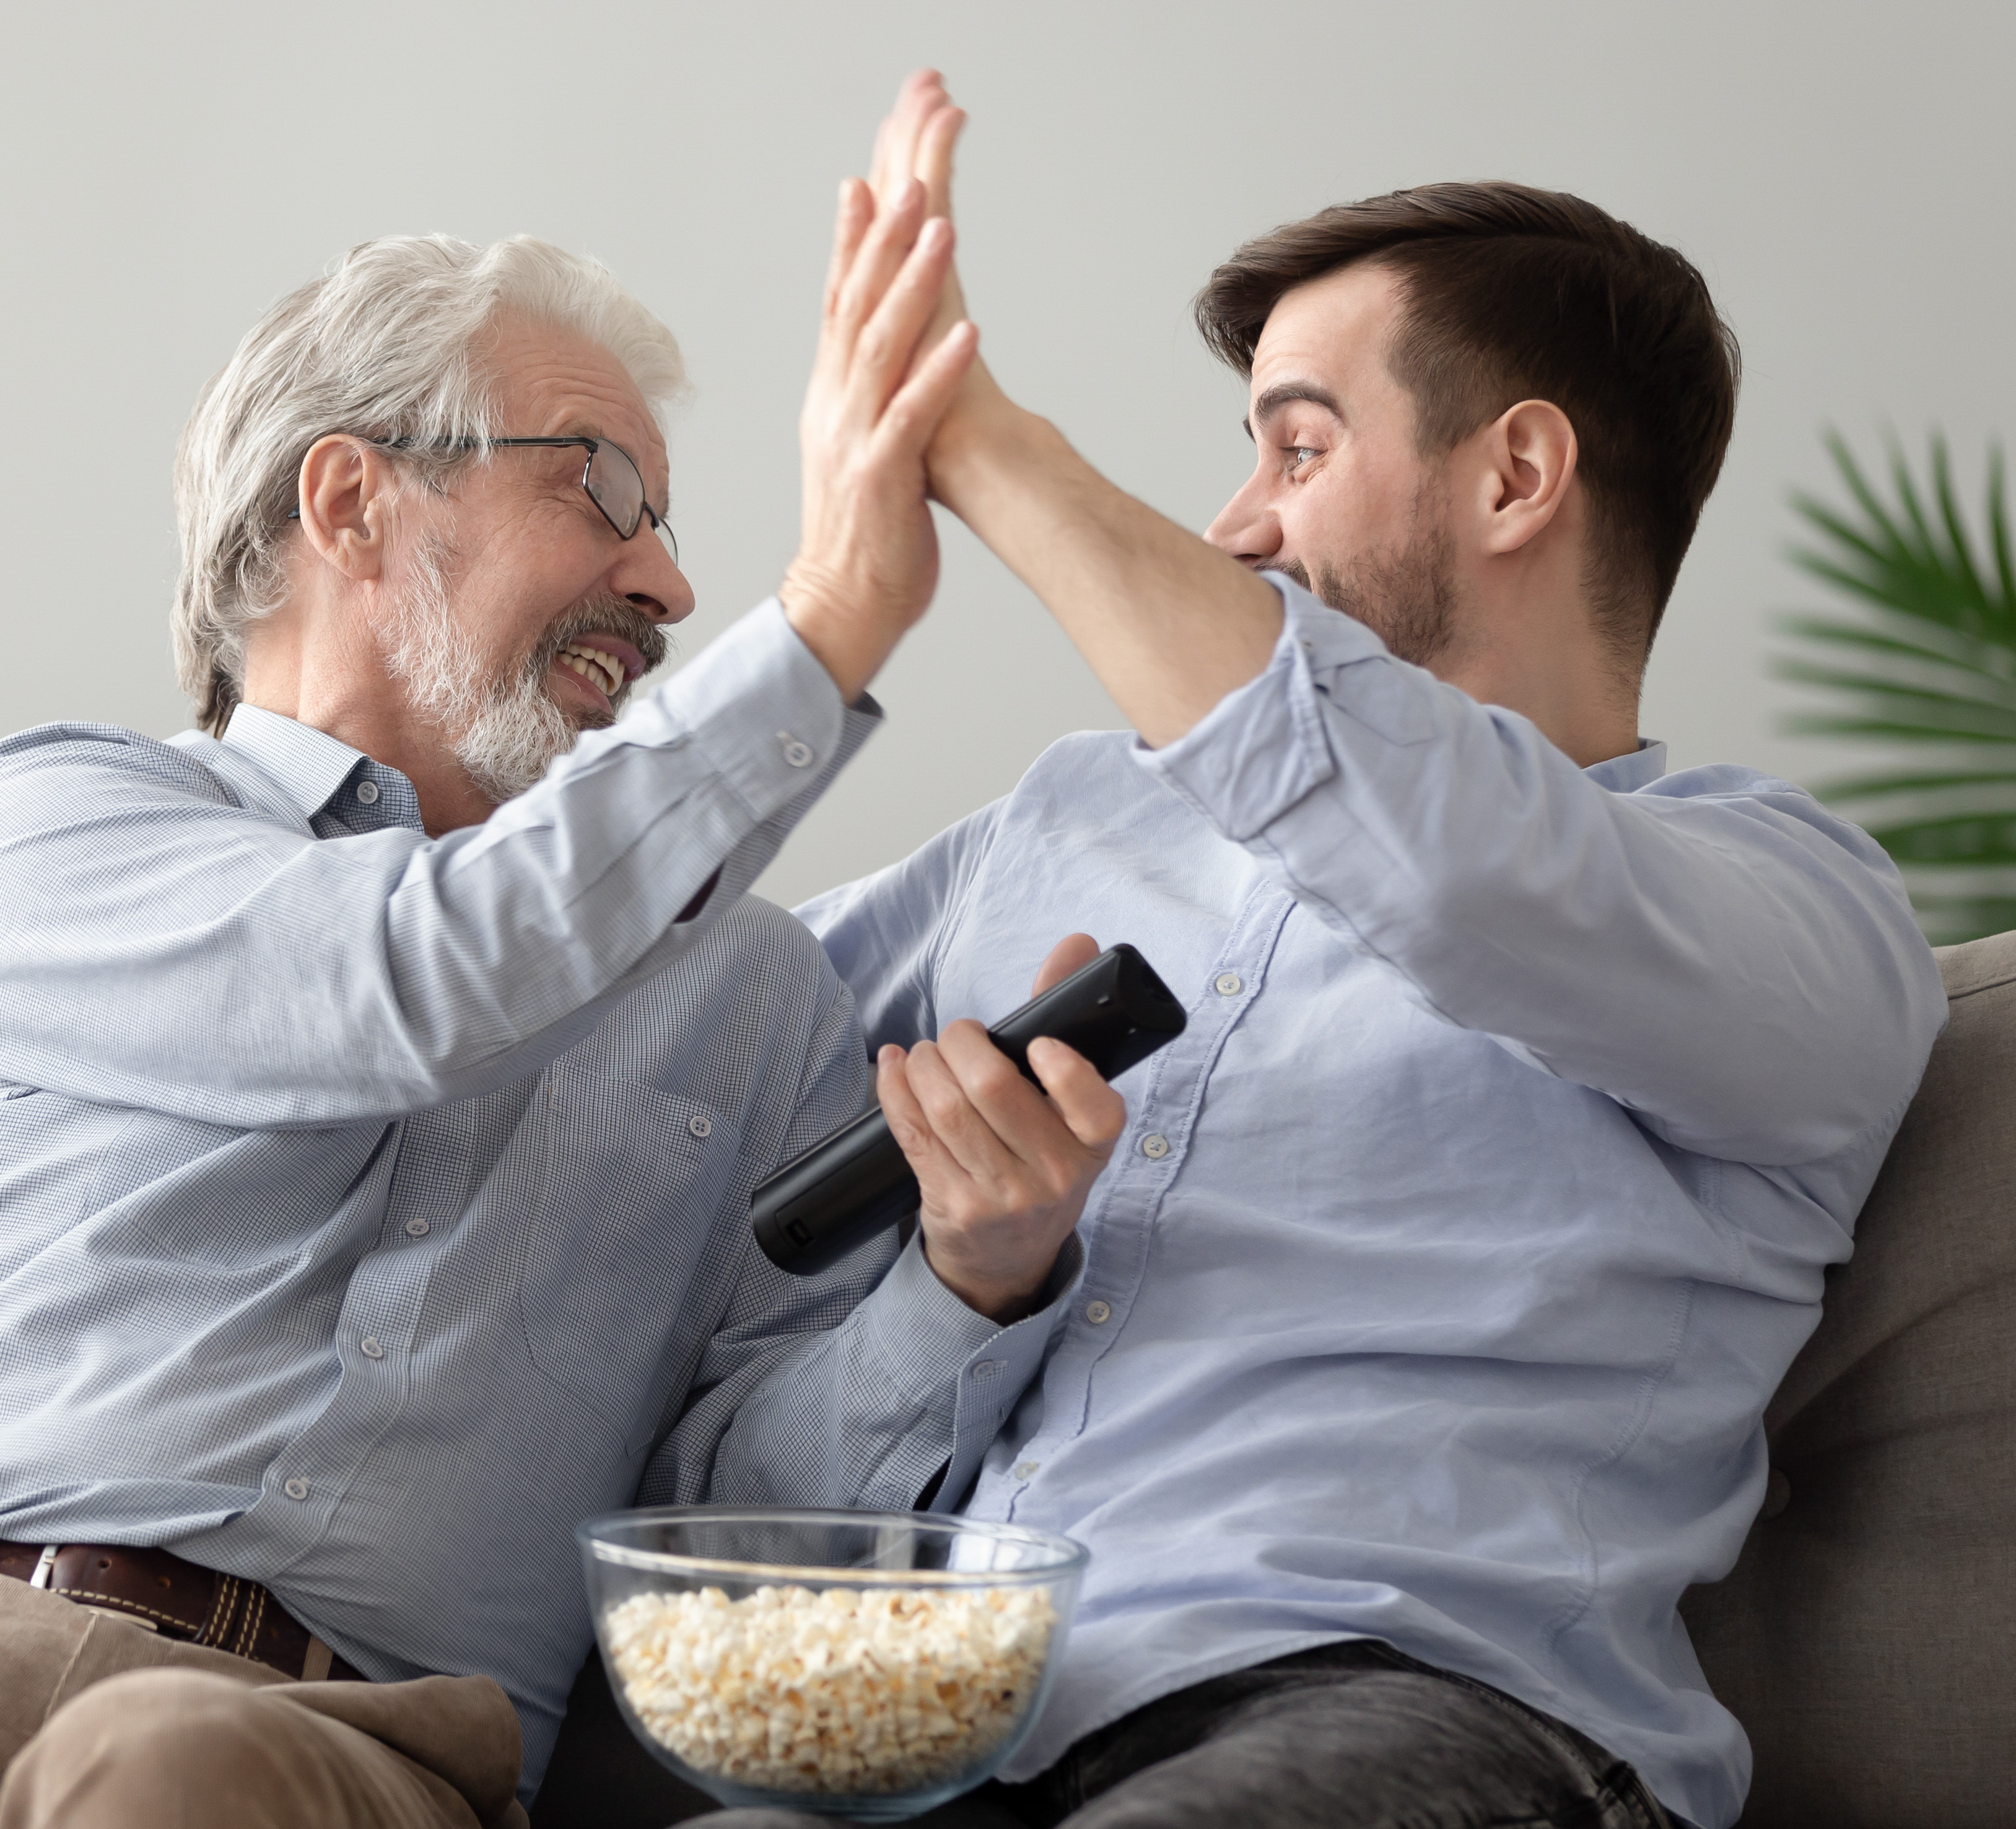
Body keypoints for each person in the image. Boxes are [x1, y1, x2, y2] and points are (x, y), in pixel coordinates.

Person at [0, 202, 1129, 1827]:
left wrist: (968, 1274)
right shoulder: (57, 818)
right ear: (350, 496)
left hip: (345, 1732)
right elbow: (414, 978)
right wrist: (828, 621)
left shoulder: (747, 991)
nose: (665, 581)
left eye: (667, 526)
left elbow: (733, 1514)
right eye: (600, 485)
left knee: (174, 1767)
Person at [690, 75, 1948, 1829]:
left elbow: (1457, 863)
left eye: (1294, 446)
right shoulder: (1071, 824)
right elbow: (668, 1056)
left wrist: (981, 446)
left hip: (1430, 1726)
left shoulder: (1785, 915)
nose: (1236, 521)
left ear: (1516, 473)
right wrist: (962, 1284)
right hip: (958, 1716)